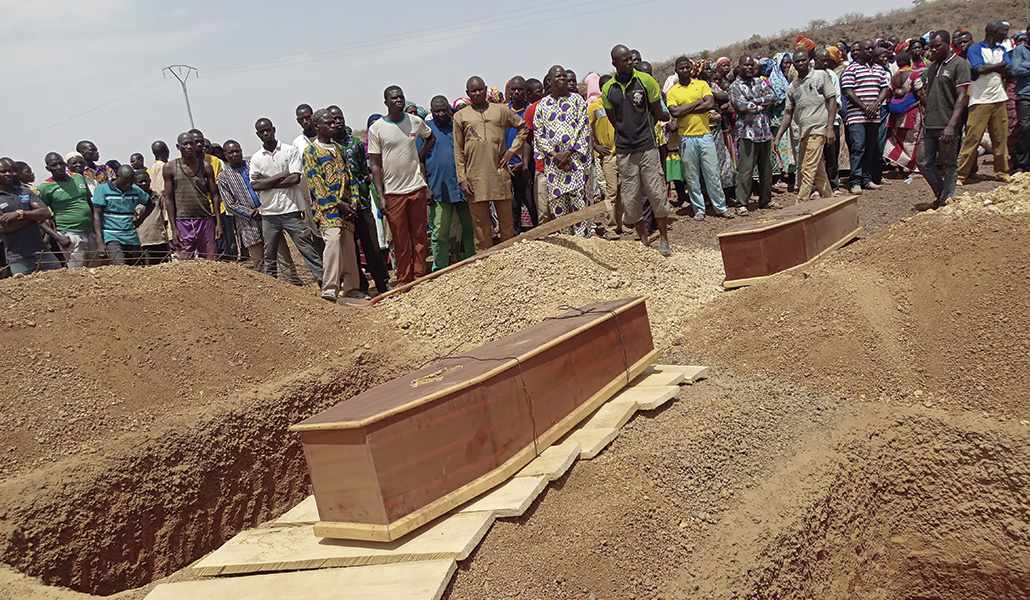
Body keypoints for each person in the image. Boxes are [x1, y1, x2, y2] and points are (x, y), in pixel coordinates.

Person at [601, 45, 672, 256]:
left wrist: (642, 132)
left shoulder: (646, 81)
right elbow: (614, 119)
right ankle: (643, 239)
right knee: (631, 200)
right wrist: (627, 134)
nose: (630, 62)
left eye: (631, 59)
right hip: (624, 151)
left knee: (657, 194)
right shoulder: (608, 89)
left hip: (648, 147)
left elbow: (657, 111)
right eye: (624, 60)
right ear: (615, 63)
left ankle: (664, 240)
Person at [368, 86, 435, 285]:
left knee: (420, 237)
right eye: (394, 98)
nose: (398, 101)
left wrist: (418, 157)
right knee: (401, 240)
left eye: (401, 97)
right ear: (386, 102)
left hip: (415, 187)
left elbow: (431, 138)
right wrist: (381, 196)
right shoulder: (377, 128)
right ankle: (404, 280)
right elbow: (375, 164)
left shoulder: (415, 121)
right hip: (393, 192)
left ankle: (419, 277)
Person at [453, 76, 528, 251]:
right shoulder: (460, 116)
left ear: (485, 89)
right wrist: (462, 178)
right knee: (480, 225)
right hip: (475, 177)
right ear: (468, 93)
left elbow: (523, 127)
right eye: (474, 91)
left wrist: (512, 151)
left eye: (480, 89)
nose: (478, 93)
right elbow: (458, 150)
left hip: (499, 172)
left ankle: (509, 257)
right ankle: (485, 261)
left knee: (506, 222)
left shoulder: (501, 110)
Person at [249, 118, 324, 287]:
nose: (266, 134)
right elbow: (255, 185)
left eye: (268, 130)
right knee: (270, 255)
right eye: (262, 132)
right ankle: (272, 288)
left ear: (274, 129)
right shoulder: (256, 158)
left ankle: (324, 283)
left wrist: (267, 182)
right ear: (258, 135)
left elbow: (295, 178)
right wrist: (281, 175)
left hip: (291, 210)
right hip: (268, 213)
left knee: (308, 250)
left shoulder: (289, 150)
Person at [328, 105, 392, 295]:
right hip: (341, 207)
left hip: (361, 203)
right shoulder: (327, 148)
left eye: (340, 118)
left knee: (372, 245)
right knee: (351, 250)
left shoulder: (355, 144)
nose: (338, 122)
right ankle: (360, 286)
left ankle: (383, 283)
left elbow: (365, 172)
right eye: (333, 120)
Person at [303, 109, 364, 301]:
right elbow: (316, 184)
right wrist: (338, 204)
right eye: (327, 123)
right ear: (316, 127)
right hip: (327, 209)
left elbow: (350, 177)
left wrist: (353, 200)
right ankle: (330, 287)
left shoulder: (338, 149)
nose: (332, 126)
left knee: (348, 246)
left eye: (333, 122)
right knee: (333, 242)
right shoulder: (310, 152)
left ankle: (352, 288)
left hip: (346, 207)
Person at [666, 57, 735, 220]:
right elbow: (674, 112)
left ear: (691, 69)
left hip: (705, 136)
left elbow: (709, 104)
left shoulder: (702, 85)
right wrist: (697, 104)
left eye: (687, 68)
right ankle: (698, 209)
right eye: (681, 68)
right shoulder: (673, 91)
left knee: (712, 173)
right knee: (692, 176)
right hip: (686, 138)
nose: (684, 71)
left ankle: (720, 207)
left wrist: (685, 110)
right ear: (676, 71)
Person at [533, 65, 593, 237]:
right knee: (558, 207)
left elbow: (583, 129)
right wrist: (556, 157)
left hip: (576, 163)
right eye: (557, 76)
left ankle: (583, 243)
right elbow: (539, 134)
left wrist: (567, 154)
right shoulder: (542, 105)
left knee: (579, 204)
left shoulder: (577, 100)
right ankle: (567, 245)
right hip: (555, 166)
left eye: (564, 76)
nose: (562, 78)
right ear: (550, 81)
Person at [773, 49, 838, 204]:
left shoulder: (820, 76)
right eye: (797, 61)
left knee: (807, 168)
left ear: (809, 60)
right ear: (793, 64)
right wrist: (778, 137)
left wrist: (830, 128)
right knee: (818, 171)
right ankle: (830, 201)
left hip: (819, 127)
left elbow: (832, 100)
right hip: (803, 131)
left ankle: (799, 204)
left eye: (804, 60)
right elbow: (788, 114)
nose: (801, 63)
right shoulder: (792, 87)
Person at [917, 30, 972, 210]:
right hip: (930, 123)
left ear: (948, 44)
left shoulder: (959, 65)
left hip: (947, 123)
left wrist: (952, 125)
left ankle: (945, 201)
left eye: (937, 46)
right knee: (923, 161)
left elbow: (962, 97)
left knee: (949, 165)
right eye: (931, 47)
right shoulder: (933, 66)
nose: (933, 50)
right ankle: (943, 196)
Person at [957, 21, 1013, 184]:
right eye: (1004, 32)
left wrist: (992, 67)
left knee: (1000, 139)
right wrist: (1000, 65)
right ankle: (960, 174)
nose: (1006, 35)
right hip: (980, 100)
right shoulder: (975, 49)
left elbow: (1009, 70)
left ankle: (1002, 172)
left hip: (999, 99)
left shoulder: (1001, 49)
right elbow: (978, 69)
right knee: (972, 138)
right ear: (994, 32)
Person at [424, 95, 475, 271]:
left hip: (463, 187)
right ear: (431, 111)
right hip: (439, 188)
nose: (441, 113)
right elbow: (420, 161)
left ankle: (472, 262)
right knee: (440, 233)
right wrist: (426, 188)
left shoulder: (457, 126)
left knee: (470, 228)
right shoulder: (426, 130)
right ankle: (440, 269)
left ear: (449, 109)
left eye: (444, 109)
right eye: (437, 110)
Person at [730, 55, 779, 215]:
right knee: (746, 170)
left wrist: (754, 102)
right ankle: (741, 204)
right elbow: (741, 105)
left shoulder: (760, 82)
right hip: (747, 133)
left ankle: (766, 200)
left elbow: (773, 97)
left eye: (752, 65)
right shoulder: (735, 86)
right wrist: (759, 103)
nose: (749, 68)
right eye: (746, 65)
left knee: (767, 169)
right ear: (740, 66)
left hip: (764, 132)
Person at [841, 39, 891, 194]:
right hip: (856, 116)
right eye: (867, 49)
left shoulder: (879, 69)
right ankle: (855, 180)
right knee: (858, 147)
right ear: (860, 51)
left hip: (874, 116)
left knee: (871, 148)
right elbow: (848, 91)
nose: (870, 51)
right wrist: (864, 107)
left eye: (872, 48)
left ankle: (867, 179)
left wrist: (876, 104)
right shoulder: (851, 69)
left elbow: (884, 88)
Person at [162, 132, 222, 260]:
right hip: (183, 221)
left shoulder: (206, 167)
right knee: (186, 263)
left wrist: (218, 223)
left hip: (205, 219)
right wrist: (174, 228)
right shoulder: (170, 168)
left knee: (210, 261)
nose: (189, 147)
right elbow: (169, 199)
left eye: (191, 143)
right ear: (178, 147)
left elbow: (215, 195)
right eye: (185, 144)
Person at [0, 157, 63, 275]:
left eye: (10, 171)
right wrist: (32, 218)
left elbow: (45, 213)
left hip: (42, 252)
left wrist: (19, 214)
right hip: (18, 258)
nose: (8, 174)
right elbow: (4, 228)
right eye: (3, 171)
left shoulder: (25, 191)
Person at [37, 152, 99, 268]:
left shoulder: (78, 177)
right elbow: (40, 216)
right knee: (77, 274)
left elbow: (89, 203)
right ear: (48, 168)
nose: (59, 167)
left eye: (61, 163)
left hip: (90, 232)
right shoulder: (45, 188)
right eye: (54, 165)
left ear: (65, 164)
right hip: (69, 234)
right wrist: (57, 237)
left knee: (96, 270)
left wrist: (97, 231)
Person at [92, 165, 155, 266]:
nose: (128, 185)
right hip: (112, 236)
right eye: (125, 181)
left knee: (136, 268)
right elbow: (97, 216)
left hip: (131, 236)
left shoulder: (135, 190)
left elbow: (150, 204)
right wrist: (99, 241)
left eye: (131, 182)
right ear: (117, 176)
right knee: (120, 266)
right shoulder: (102, 190)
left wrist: (139, 221)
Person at [588, 74, 622, 238]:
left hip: (623, 152)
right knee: (611, 192)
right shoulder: (594, 107)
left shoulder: (619, 104)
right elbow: (585, 129)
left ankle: (621, 224)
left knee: (623, 191)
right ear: (601, 89)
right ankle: (609, 228)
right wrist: (595, 146)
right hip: (608, 155)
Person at [883, 52, 926, 173]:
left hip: (895, 115)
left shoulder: (894, 78)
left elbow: (889, 95)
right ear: (910, 62)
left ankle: (900, 168)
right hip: (911, 114)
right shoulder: (914, 75)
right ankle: (914, 167)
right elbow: (919, 94)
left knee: (898, 141)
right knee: (913, 141)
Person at [505, 76, 536, 233]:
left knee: (532, 204)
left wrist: (524, 163)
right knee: (512, 207)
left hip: (527, 167)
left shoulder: (531, 111)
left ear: (526, 91)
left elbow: (533, 140)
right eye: (513, 89)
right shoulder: (504, 111)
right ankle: (514, 241)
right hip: (508, 168)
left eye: (520, 89)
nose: (516, 92)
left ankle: (541, 240)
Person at [814, 47, 845, 194]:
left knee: (832, 156)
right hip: (814, 123)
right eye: (822, 60)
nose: (825, 63)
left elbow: (836, 100)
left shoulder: (832, 75)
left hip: (832, 121)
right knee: (816, 158)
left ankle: (834, 186)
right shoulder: (810, 76)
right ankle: (816, 188)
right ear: (816, 60)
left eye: (828, 60)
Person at [523, 77, 550, 225]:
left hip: (564, 166)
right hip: (541, 167)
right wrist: (526, 166)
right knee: (543, 211)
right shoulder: (532, 109)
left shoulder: (566, 105)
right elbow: (527, 140)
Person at [133, 169, 170, 265]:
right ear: (135, 183)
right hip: (143, 241)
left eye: (146, 181)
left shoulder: (157, 197)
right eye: (140, 182)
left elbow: (165, 215)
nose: (144, 184)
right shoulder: (133, 199)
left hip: (159, 240)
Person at [1012, 21, 1030, 173]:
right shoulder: (1020, 50)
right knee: (1025, 127)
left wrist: (1027, 65)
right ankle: (1020, 165)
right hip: (1025, 94)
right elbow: (1016, 70)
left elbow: (1022, 67)